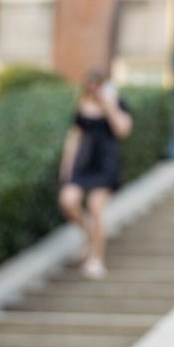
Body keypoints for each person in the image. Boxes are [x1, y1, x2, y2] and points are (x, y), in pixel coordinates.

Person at [59, 69, 132, 279]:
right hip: (83, 163)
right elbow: (74, 138)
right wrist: (66, 169)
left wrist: (109, 105)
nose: (93, 90)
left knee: (95, 208)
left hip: (106, 163)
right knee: (68, 201)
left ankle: (96, 258)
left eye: (96, 86)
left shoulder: (116, 103)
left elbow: (123, 130)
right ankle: (90, 235)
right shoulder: (82, 106)